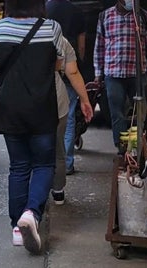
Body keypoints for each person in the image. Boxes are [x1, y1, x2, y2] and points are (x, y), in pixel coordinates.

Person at [0, 0, 65, 254]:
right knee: (43, 164)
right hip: (42, 108)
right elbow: (58, 64)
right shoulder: (51, 27)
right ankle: (31, 213)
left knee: (18, 166)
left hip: (9, 108)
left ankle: (16, 227)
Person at [93, 0, 147, 154]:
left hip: (138, 74)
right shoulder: (105, 16)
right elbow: (99, 47)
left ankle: (139, 147)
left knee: (142, 113)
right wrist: (98, 73)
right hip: (113, 74)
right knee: (117, 114)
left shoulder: (143, 16)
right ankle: (122, 150)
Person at [51, 37, 94, 205]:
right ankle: (58, 190)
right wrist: (85, 99)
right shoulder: (58, 37)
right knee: (58, 148)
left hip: (22, 102)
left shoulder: (5, 32)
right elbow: (73, 71)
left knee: (25, 156)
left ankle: (29, 198)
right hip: (55, 98)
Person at [46, 0, 85, 176]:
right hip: (69, 66)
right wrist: (79, 61)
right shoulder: (76, 10)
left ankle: (47, 163)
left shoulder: (44, 8)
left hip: (47, 72)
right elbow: (82, 43)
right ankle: (67, 162)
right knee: (68, 117)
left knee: (46, 118)